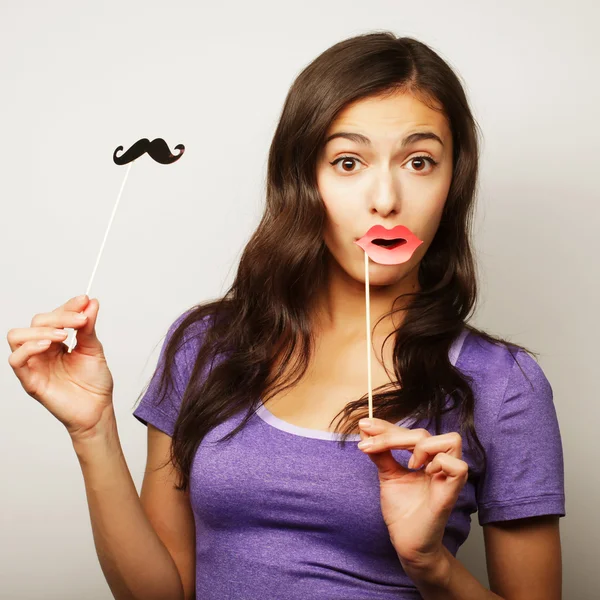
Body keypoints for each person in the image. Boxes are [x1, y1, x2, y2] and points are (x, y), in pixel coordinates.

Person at [8, 32, 565, 600]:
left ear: (454, 182)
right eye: (348, 162)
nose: (386, 198)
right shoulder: (207, 345)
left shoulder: (503, 385)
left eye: (420, 161)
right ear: (302, 178)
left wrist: (432, 566)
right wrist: (92, 429)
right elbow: (158, 594)